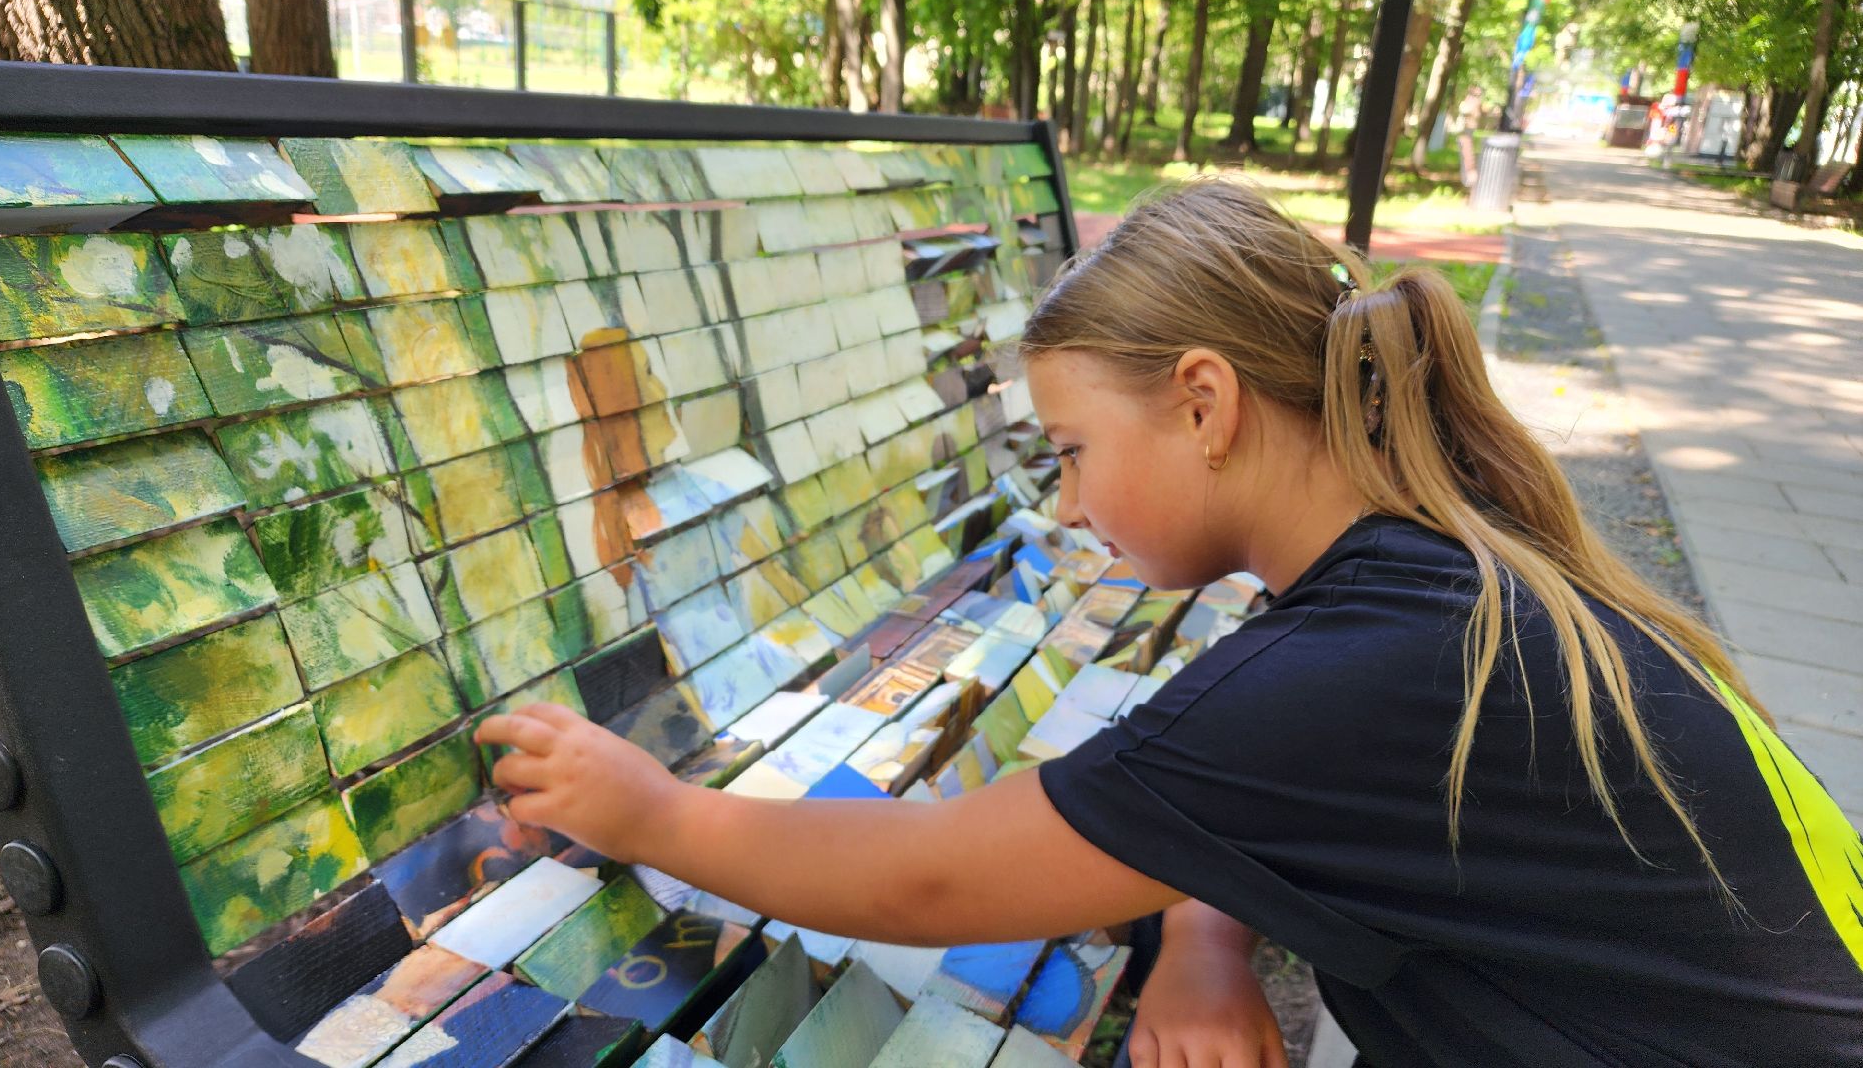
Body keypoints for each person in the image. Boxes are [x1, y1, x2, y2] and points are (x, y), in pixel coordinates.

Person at [476, 177, 1863, 1068]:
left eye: (1073, 451)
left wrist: (654, 813)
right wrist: (1206, 933)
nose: (1068, 505)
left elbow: (928, 884)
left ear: (1204, 405)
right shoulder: (1438, 573)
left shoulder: (1345, 671)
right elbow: (1297, 802)